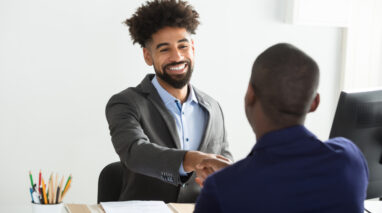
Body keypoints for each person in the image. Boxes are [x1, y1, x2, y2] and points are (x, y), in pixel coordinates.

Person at [194, 43, 369, 212]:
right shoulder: (350, 160)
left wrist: (229, 180)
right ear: (314, 103)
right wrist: (232, 177)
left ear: (250, 94)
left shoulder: (221, 190)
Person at [105, 0, 232, 203]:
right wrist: (192, 159)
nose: (177, 56)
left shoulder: (213, 107)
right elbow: (135, 153)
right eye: (164, 49)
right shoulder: (125, 103)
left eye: (183, 46)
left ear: (193, 48)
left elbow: (224, 165)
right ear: (148, 56)